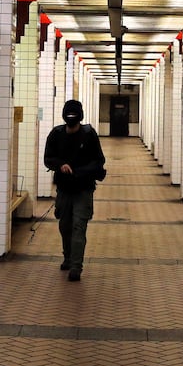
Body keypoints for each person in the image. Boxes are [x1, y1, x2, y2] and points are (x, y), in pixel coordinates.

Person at [43, 99, 106, 282]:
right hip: (64, 189)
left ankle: (76, 267)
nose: (71, 119)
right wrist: (60, 165)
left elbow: (99, 161)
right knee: (65, 226)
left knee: (79, 226)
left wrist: (79, 172)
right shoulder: (56, 134)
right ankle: (68, 257)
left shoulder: (89, 135)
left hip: (84, 189)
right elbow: (48, 158)